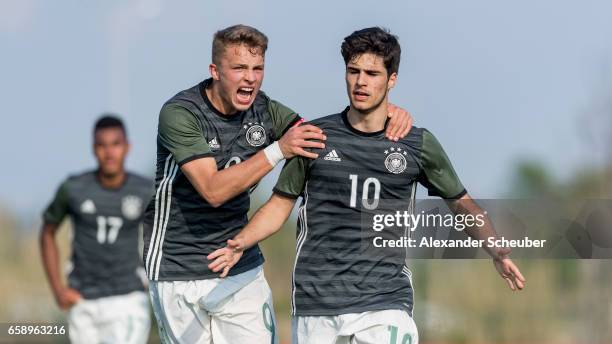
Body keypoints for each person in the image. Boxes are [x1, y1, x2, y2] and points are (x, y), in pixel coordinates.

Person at [207, 27, 526, 344]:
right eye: (353, 71)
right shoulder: (313, 136)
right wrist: (240, 242)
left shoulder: (417, 144)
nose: (361, 82)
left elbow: (461, 202)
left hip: (385, 302)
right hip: (316, 304)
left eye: (372, 73)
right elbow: (279, 206)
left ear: (392, 80)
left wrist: (494, 246)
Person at [142, 24, 413, 344]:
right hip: (178, 268)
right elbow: (212, 190)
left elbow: (323, 138)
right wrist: (277, 150)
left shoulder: (265, 110)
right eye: (239, 68)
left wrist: (381, 113)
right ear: (215, 71)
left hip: (241, 267)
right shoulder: (180, 113)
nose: (250, 78)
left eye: (258, 69)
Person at [40, 115, 152, 344]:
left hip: (127, 300)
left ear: (127, 147)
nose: (109, 152)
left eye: (115, 144)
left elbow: (167, 233)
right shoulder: (74, 188)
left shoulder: (145, 190)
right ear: (93, 149)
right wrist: (58, 290)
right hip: (83, 301)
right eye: (102, 145)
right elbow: (47, 233)